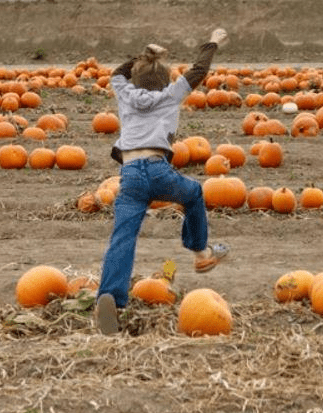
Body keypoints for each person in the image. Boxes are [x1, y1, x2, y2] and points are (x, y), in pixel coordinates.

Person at [95, 28, 230, 335]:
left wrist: (145, 55)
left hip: (129, 176)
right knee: (194, 193)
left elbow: (118, 72)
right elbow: (199, 70)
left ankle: (111, 299)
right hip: (157, 170)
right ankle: (200, 253)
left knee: (123, 237)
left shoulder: (125, 93)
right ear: (168, 80)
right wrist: (212, 42)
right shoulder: (172, 94)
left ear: (135, 79)